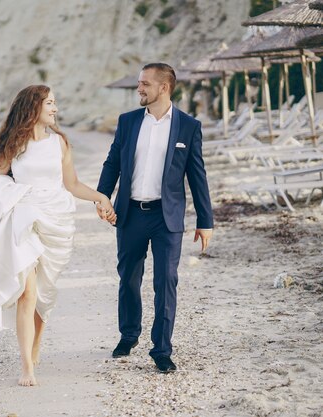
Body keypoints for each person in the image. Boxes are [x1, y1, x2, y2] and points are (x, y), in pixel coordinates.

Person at [0, 85, 114, 386]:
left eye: (55, 103)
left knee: (43, 295)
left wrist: (100, 198)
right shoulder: (15, 143)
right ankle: (26, 366)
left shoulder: (60, 143)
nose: (55, 108)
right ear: (33, 107)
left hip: (56, 219)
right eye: (50, 103)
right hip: (24, 219)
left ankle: (35, 344)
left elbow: (73, 184)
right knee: (26, 293)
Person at [96, 63, 213, 373]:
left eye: (145, 84)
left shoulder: (189, 126)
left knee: (166, 281)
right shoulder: (128, 121)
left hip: (167, 217)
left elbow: (197, 175)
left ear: (164, 87)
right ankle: (128, 335)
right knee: (129, 278)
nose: (139, 89)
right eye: (139, 83)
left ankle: (161, 349)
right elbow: (112, 164)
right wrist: (102, 196)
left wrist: (206, 220)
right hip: (130, 213)